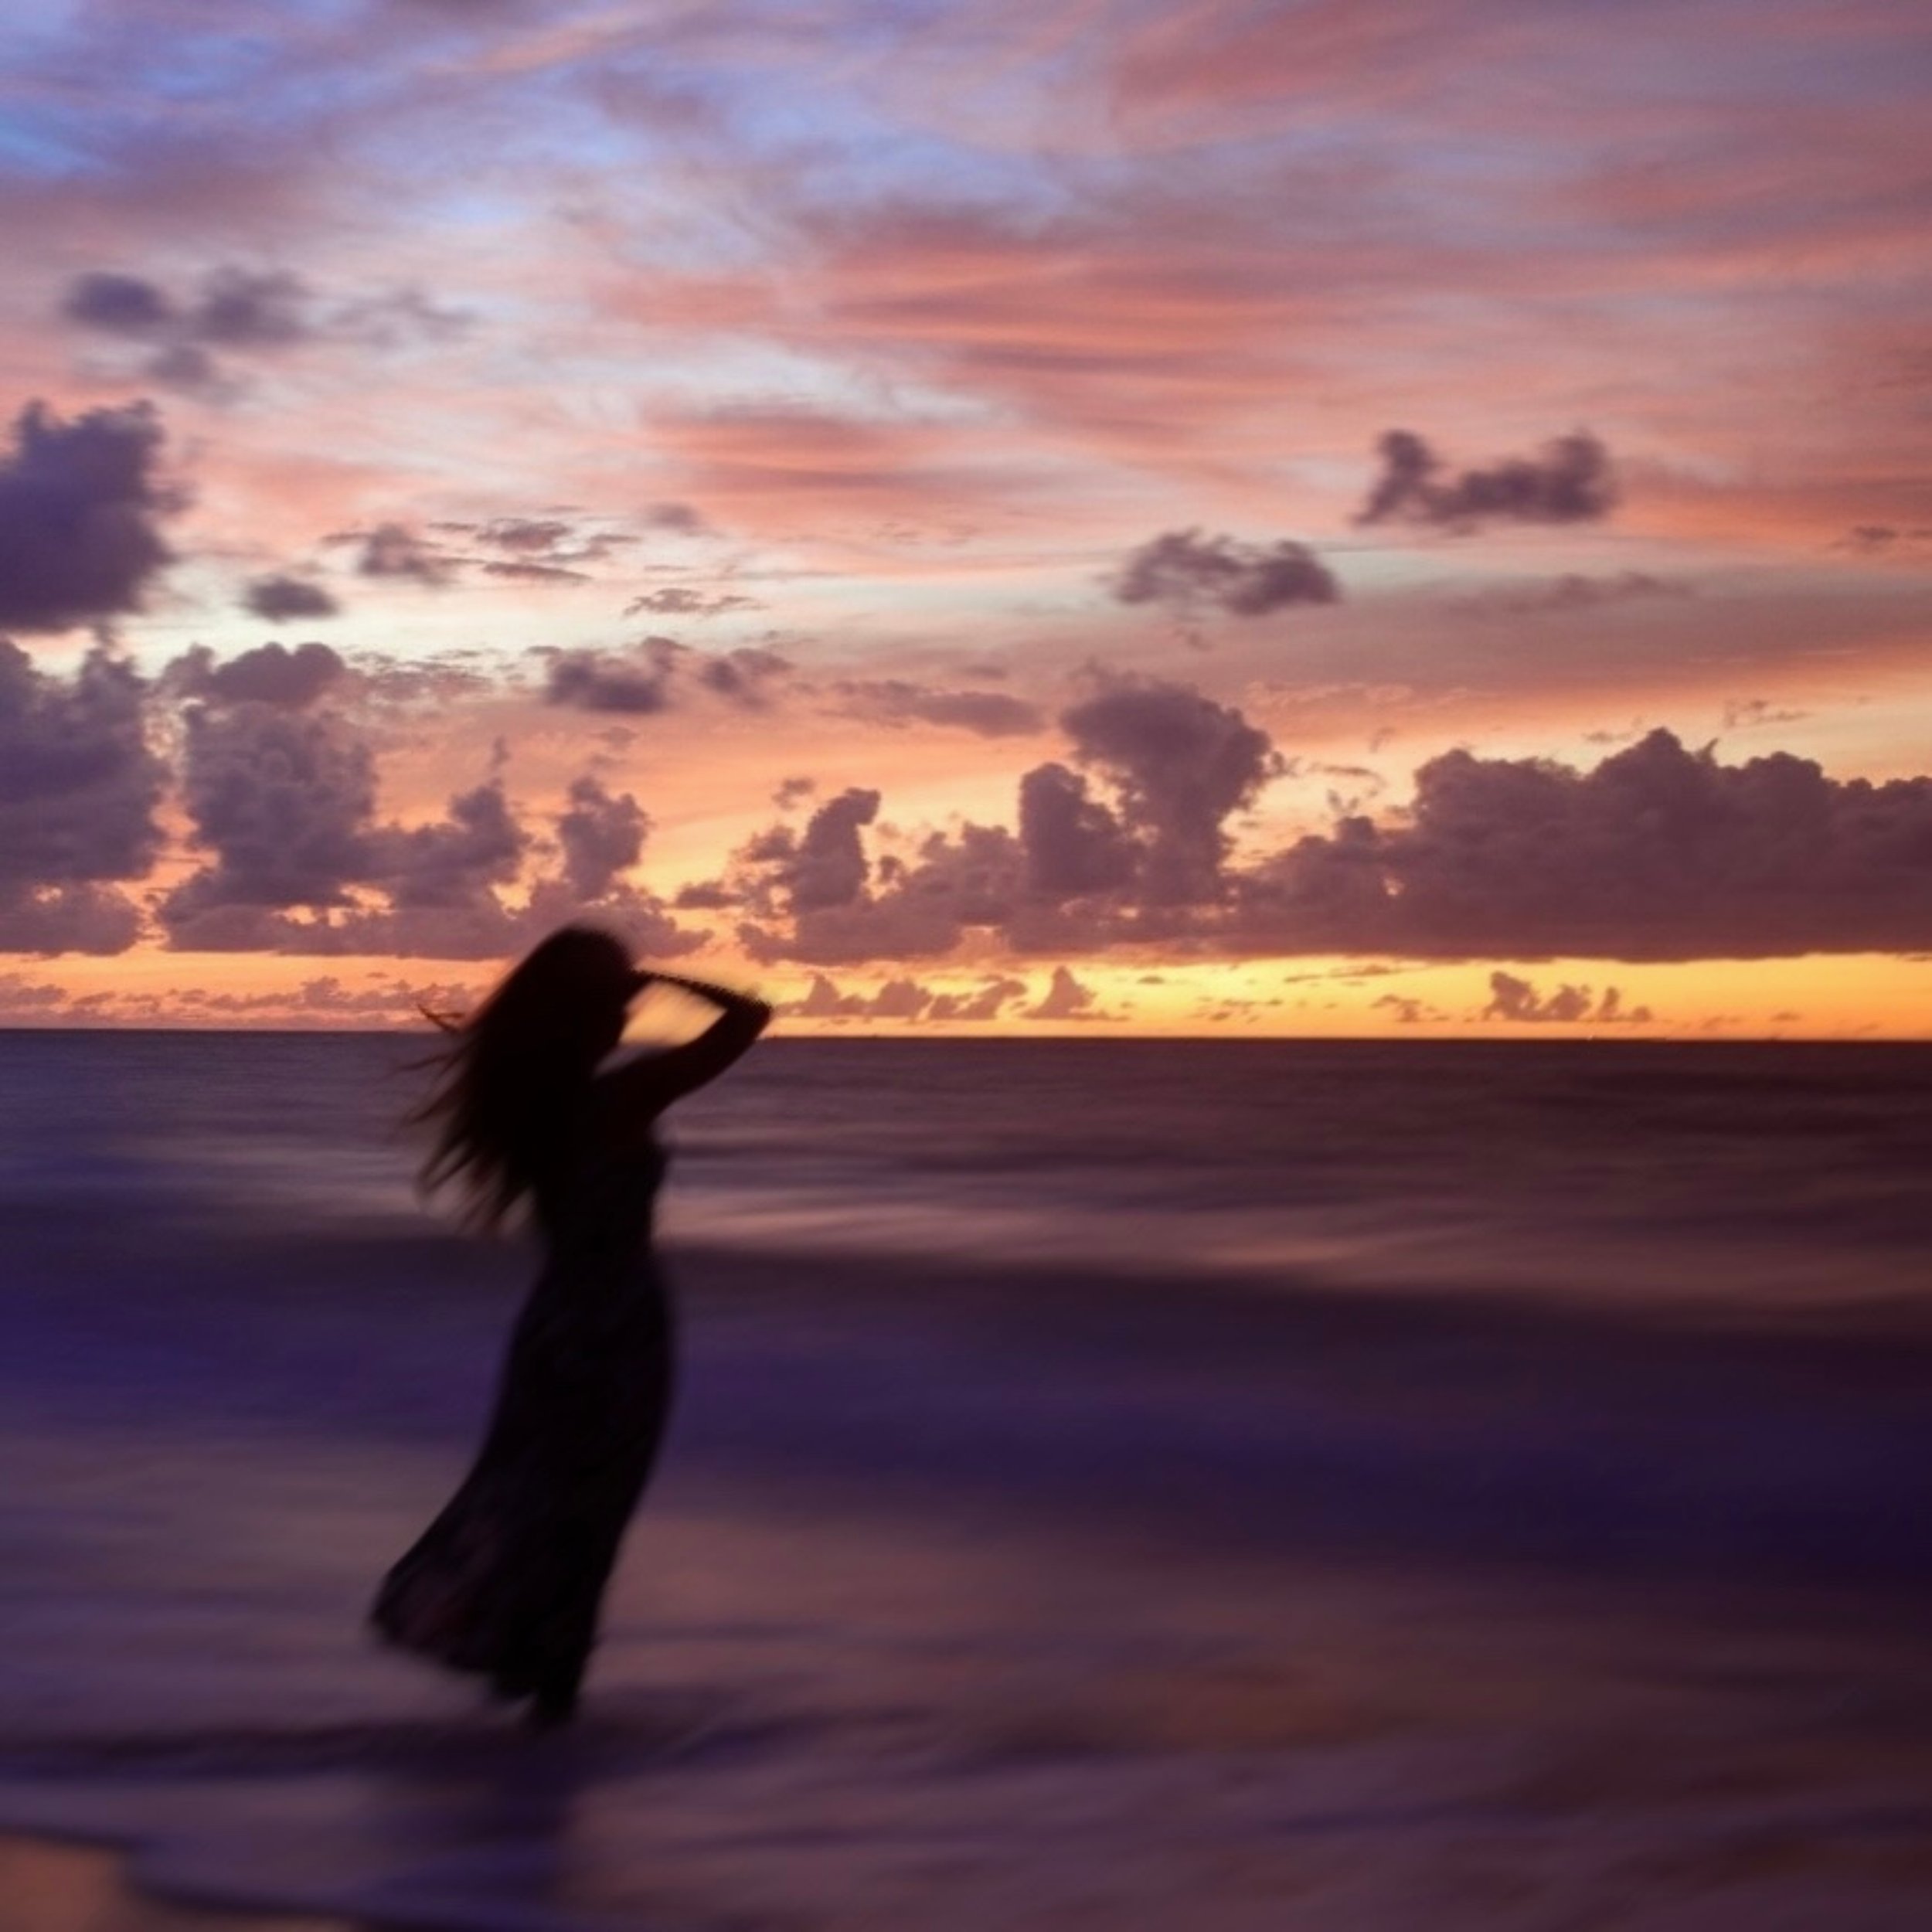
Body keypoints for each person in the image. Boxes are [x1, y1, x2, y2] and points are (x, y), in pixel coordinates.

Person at [369, 925, 770, 1728]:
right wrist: (655, 974)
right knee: (590, 1520)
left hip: (553, 1330)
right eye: (618, 998)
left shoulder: (531, 1109)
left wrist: (615, 982)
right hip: (618, 1331)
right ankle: (550, 1705)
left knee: (532, 1500)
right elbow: (748, 1018)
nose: (630, 1010)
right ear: (591, 1014)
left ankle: (529, 1679)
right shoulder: (620, 1098)